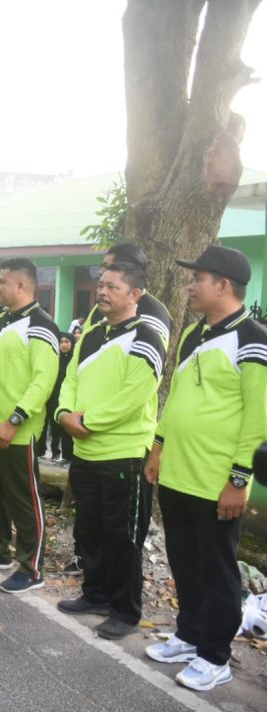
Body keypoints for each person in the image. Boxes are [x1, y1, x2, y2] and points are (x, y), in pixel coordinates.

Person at [144, 246, 267, 691]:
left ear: (224, 285)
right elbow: (175, 398)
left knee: (216, 570)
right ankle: (189, 634)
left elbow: (259, 419)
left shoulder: (254, 338)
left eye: (199, 278)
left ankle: (216, 656)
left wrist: (239, 480)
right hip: (177, 472)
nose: (191, 285)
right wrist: (157, 447)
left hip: (217, 481)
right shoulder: (195, 333)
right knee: (184, 562)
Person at [55, 260, 164, 640]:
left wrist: (87, 422)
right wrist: (64, 412)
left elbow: (133, 397)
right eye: (100, 285)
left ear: (135, 294)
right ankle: (95, 594)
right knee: (90, 528)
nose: (102, 291)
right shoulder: (92, 334)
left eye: (112, 287)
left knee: (123, 536)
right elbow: (70, 376)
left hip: (123, 453)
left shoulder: (147, 337)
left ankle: (125, 609)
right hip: (85, 453)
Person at [0, 258, 60, 594]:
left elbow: (43, 381)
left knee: (23, 499)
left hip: (17, 429)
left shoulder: (41, 326)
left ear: (23, 286)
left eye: (2, 282)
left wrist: (15, 419)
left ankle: (31, 565)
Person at [86, 243, 172, 344]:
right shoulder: (102, 306)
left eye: (107, 267)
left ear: (127, 268)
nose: (101, 272)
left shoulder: (153, 313)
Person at [40, 333, 75, 466]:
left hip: (66, 398)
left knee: (62, 428)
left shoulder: (74, 360)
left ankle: (62, 454)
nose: (64, 345)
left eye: (67, 342)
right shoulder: (56, 358)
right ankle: (42, 451)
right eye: (61, 342)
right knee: (47, 424)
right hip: (52, 396)